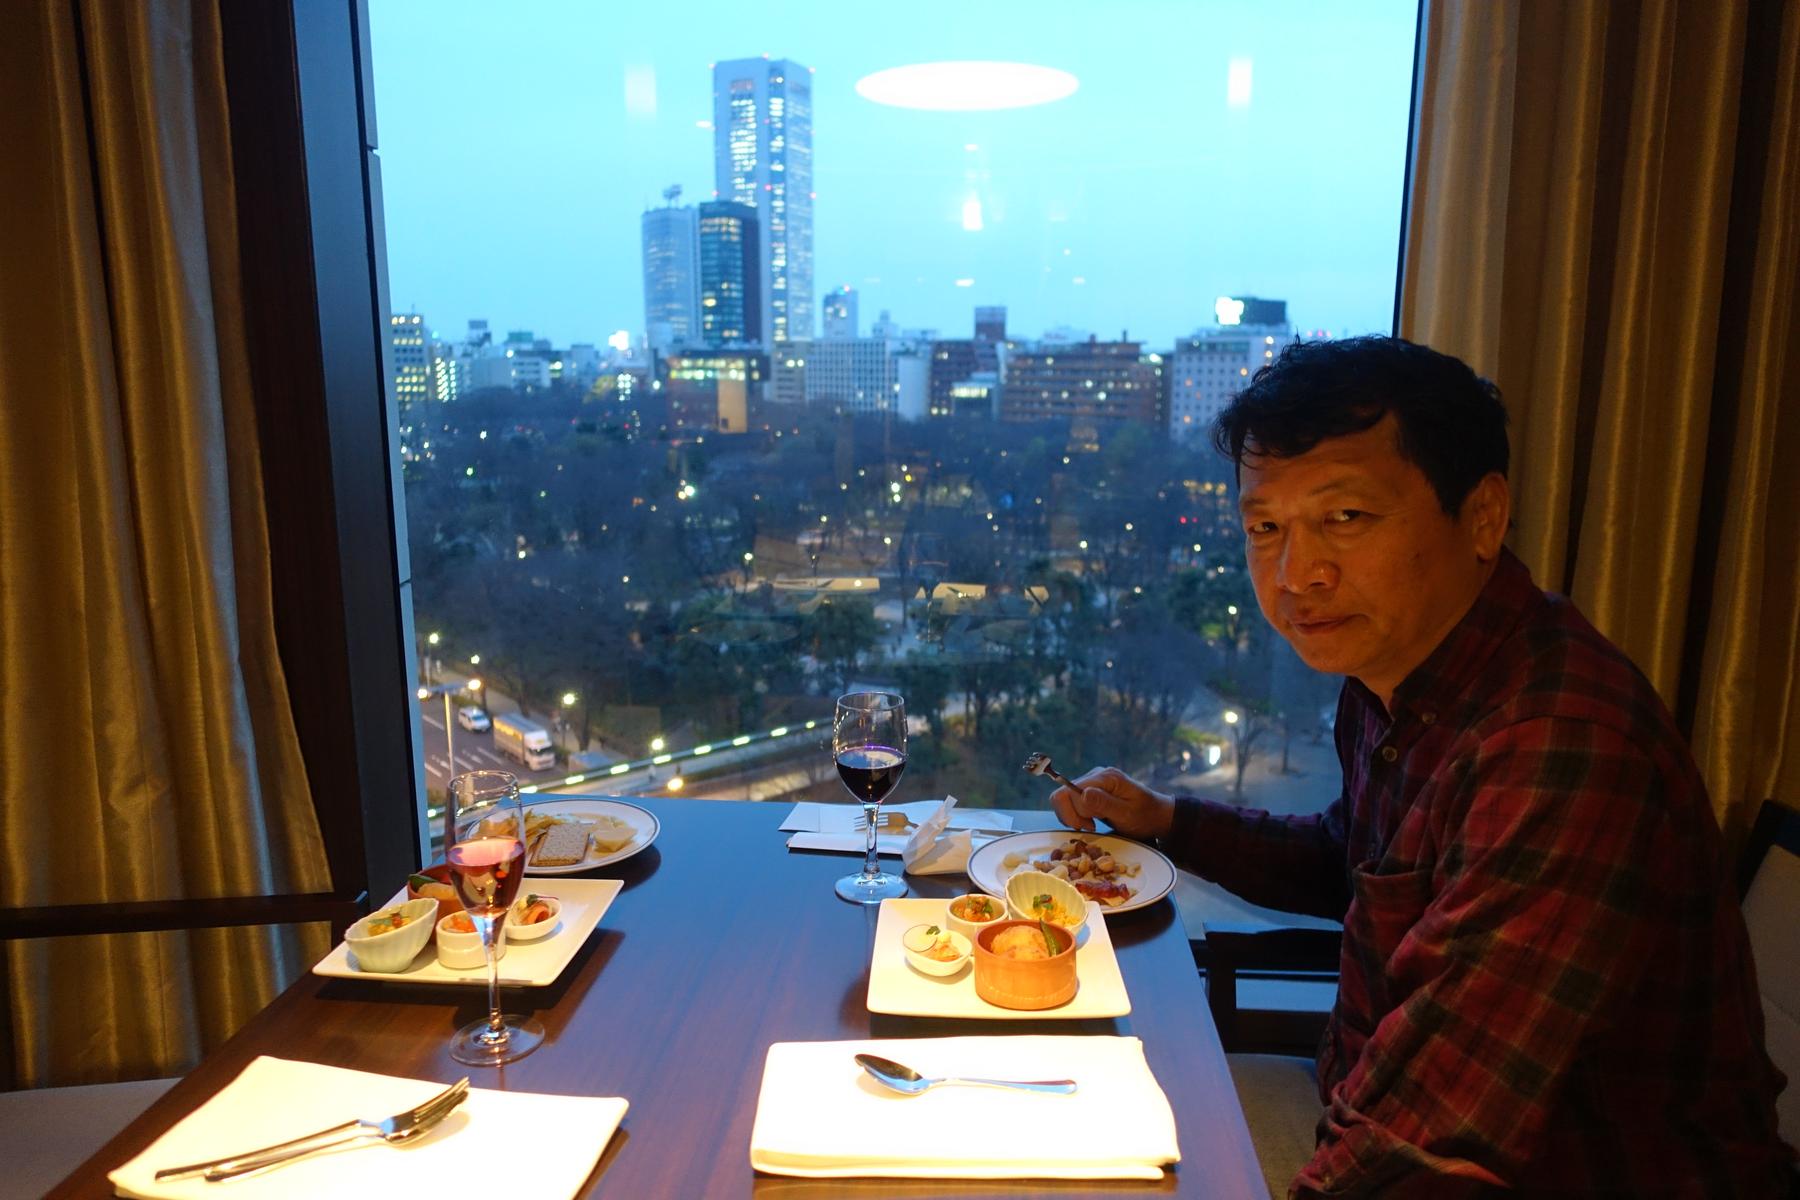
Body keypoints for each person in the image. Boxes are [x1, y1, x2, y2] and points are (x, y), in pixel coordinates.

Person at [1051, 337, 1793, 1197]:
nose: (1297, 575)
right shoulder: (1396, 679)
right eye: (1266, 528)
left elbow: (1423, 1152)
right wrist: (1172, 821)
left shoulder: (1558, 746)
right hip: (1364, 1115)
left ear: (1482, 517)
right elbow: (1352, 859)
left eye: (1346, 518)